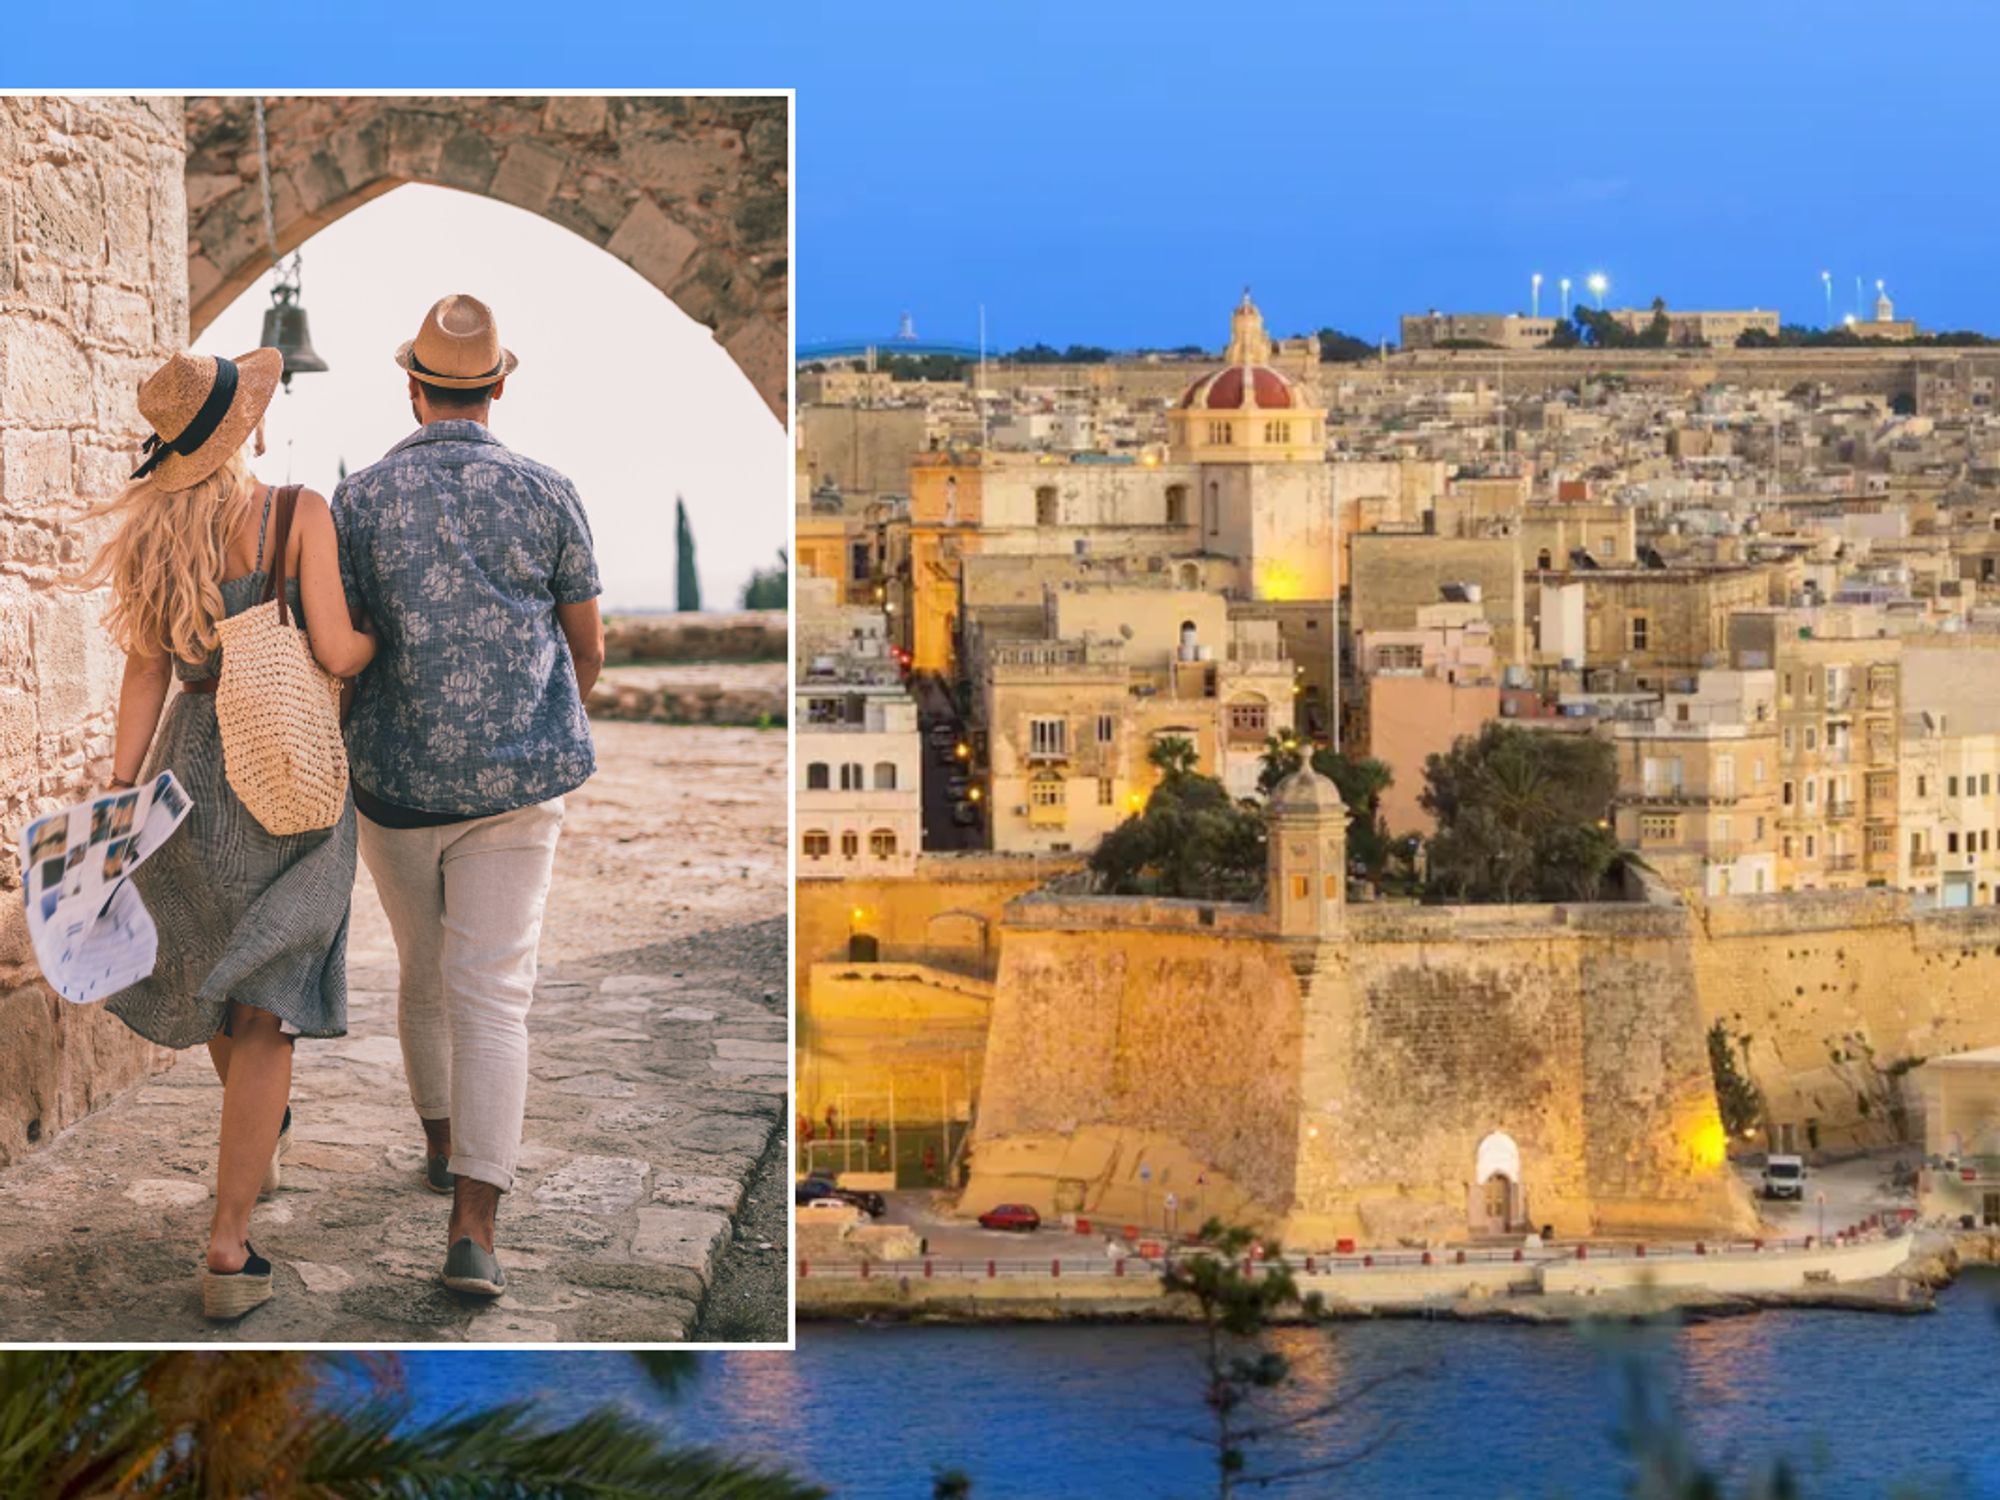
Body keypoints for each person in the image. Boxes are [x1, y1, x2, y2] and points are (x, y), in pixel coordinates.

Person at [74, 348, 377, 1320]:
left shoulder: (156, 536)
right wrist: (377, 641)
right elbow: (338, 650)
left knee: (218, 975)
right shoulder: (298, 513)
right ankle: (226, 1243)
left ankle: (255, 1148)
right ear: (246, 430)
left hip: (187, 777)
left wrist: (121, 793)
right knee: (265, 1007)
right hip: (287, 773)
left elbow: (144, 675)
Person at [333, 294, 604, 1297]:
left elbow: (342, 650)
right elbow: (587, 649)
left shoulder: (357, 501)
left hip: (394, 787)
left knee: (423, 969)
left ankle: (441, 1146)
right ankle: (473, 1229)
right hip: (517, 789)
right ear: (497, 389)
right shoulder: (549, 491)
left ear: (412, 388)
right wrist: (531, 724)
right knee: (492, 997)